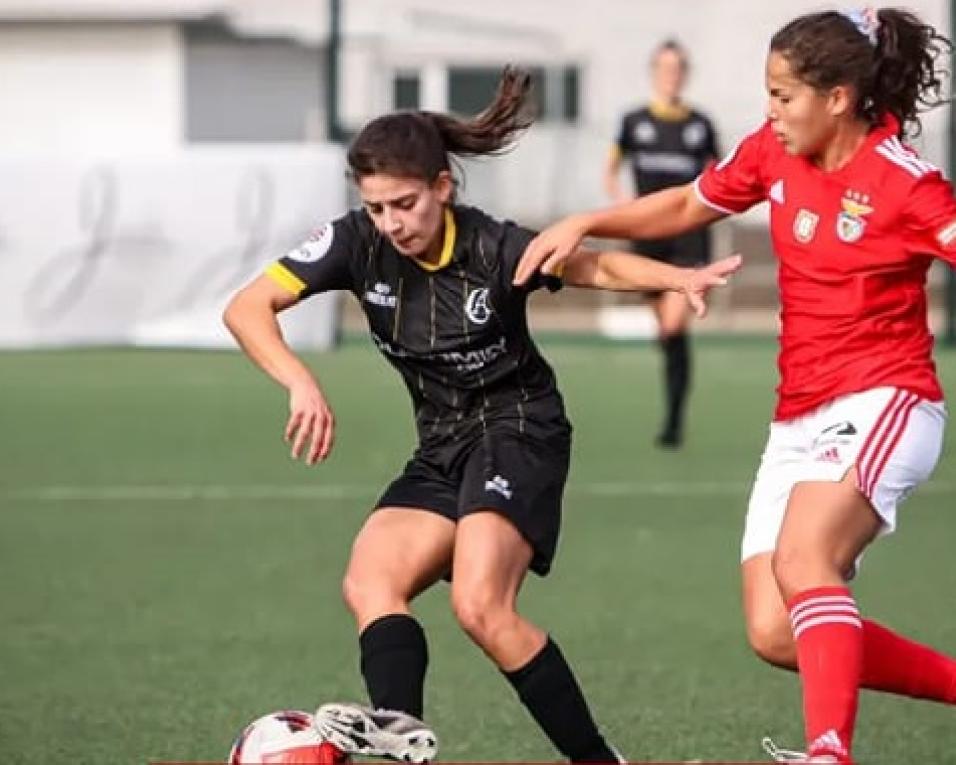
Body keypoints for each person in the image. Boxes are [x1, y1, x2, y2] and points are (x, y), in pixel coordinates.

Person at [223, 68, 739, 764]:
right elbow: (246, 307)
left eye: (404, 203)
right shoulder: (356, 241)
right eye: (376, 207)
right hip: (441, 442)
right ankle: (401, 731)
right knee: (370, 580)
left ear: (443, 186)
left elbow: (594, 269)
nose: (390, 222)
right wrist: (299, 382)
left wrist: (676, 276)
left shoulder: (494, 248)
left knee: (480, 605)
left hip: (519, 428)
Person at [515, 8, 956, 764]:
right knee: (774, 631)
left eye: (785, 96)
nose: (770, 112)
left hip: (888, 398)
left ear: (839, 98)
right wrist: (589, 218)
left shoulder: (906, 185)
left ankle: (828, 751)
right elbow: (689, 202)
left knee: (802, 561)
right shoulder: (772, 153)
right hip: (798, 418)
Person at [605, 39, 720, 448]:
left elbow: (716, 179)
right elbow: (611, 170)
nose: (671, 75)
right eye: (665, 68)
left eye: (678, 68)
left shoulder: (700, 124)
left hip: (689, 237)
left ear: (685, 73)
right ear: (655, 72)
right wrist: (625, 209)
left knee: (673, 325)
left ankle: (673, 422)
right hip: (649, 237)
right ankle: (673, 408)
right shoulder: (634, 121)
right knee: (666, 333)